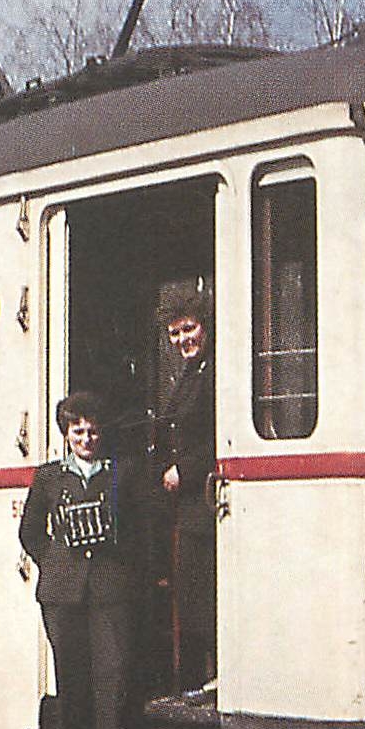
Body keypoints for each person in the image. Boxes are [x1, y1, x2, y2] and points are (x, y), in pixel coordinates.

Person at [18, 392, 151, 729]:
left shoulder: (122, 472)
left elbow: (143, 528)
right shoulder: (48, 477)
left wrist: (125, 567)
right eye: (79, 431)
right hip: (63, 594)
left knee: (116, 676)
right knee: (73, 677)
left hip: (111, 589)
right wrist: (56, 563)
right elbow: (29, 532)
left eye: (93, 431)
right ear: (66, 434)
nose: (87, 438)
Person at [153, 288, 217, 701]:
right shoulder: (188, 375)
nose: (183, 340)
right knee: (189, 595)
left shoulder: (214, 373)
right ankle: (191, 683)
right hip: (187, 506)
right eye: (175, 333)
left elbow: (220, 436)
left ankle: (208, 679)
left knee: (204, 594)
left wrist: (186, 472)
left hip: (204, 501)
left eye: (189, 329)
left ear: (206, 328)